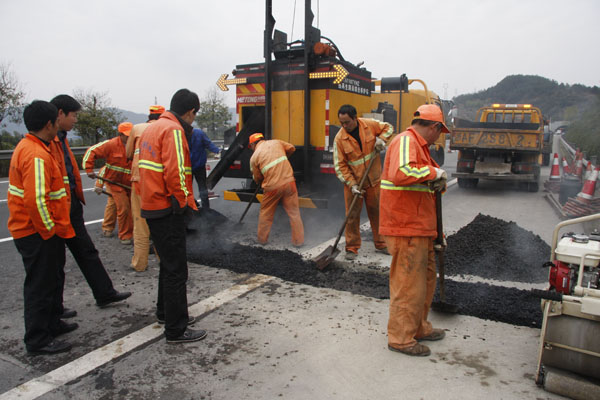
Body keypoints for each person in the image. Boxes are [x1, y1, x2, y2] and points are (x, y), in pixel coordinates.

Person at [49, 94, 131, 314]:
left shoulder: (61, 137)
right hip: (58, 209)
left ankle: (105, 293)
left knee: (87, 252)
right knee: (54, 264)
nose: (76, 120)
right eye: (74, 115)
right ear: (60, 114)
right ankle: (54, 310)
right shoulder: (49, 140)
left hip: (72, 204)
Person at [379, 104, 449, 357]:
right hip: (405, 227)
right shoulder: (407, 141)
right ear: (434, 127)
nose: (439, 136)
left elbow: (422, 189)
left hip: (419, 227)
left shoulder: (420, 147)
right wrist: (434, 172)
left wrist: (436, 232)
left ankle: (418, 327)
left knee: (425, 281)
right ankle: (401, 338)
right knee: (408, 285)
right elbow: (401, 172)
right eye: (440, 131)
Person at [138, 89, 207, 344]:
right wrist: (185, 204)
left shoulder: (153, 128)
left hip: (152, 205)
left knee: (167, 264)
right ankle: (176, 329)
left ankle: (165, 313)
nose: (193, 121)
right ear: (190, 112)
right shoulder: (174, 131)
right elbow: (176, 173)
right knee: (177, 269)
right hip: (167, 208)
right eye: (194, 115)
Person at [8, 101, 75, 354]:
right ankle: (38, 339)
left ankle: (52, 324)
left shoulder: (35, 147)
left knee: (51, 281)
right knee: (39, 286)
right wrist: (49, 232)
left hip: (42, 231)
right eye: (57, 121)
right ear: (49, 124)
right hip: (37, 233)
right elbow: (36, 200)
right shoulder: (35, 154)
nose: (59, 125)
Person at [333, 104, 393, 260]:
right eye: (341, 123)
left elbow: (389, 128)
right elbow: (340, 166)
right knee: (352, 216)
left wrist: (382, 139)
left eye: (347, 122)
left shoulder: (370, 125)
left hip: (373, 180)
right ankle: (351, 248)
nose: (344, 126)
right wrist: (352, 185)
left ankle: (381, 244)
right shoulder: (340, 139)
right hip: (354, 184)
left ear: (355, 118)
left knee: (377, 212)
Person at [125, 105, 164, 271]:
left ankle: (140, 264)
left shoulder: (137, 128)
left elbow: (128, 154)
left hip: (138, 180)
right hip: (158, 182)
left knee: (140, 223)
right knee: (160, 222)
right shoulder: (166, 129)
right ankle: (164, 260)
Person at [248, 133, 304, 246]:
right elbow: (292, 148)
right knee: (294, 213)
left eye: (251, 146)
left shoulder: (254, 157)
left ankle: (262, 240)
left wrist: (261, 179)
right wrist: (284, 157)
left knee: (266, 214)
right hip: (289, 183)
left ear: (253, 144)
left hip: (272, 187)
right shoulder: (276, 142)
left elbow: (257, 178)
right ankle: (298, 241)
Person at [82, 122, 134, 245]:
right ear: (120, 135)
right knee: (123, 207)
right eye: (126, 135)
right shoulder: (111, 145)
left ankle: (116, 229)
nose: (129, 138)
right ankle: (124, 235)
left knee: (131, 208)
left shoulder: (136, 145)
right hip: (115, 183)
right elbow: (91, 152)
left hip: (130, 184)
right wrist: (89, 170)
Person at [189, 128, 221, 208]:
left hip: (187, 167)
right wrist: (218, 151)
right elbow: (209, 144)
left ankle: (191, 205)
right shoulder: (199, 133)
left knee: (187, 189)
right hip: (199, 166)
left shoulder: (181, 133)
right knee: (202, 188)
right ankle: (206, 208)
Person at [94, 166, 117, 237]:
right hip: (112, 185)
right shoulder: (110, 164)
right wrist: (99, 185)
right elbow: (104, 171)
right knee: (112, 206)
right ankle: (107, 228)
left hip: (127, 184)